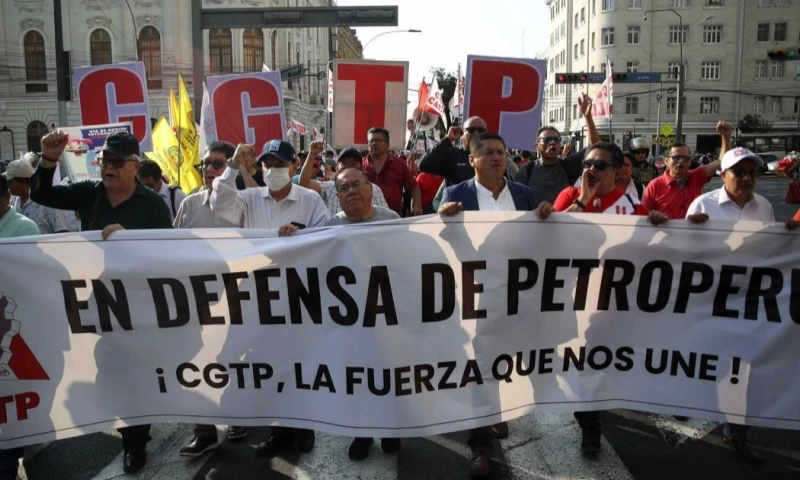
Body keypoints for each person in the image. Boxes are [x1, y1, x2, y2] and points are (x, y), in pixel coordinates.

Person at [29, 130, 171, 474]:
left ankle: (136, 439)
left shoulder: (153, 206)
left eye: (117, 162)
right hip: (98, 304)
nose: (108, 167)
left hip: (139, 307)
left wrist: (129, 243)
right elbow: (40, 194)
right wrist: (48, 159)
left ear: (135, 167)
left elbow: (168, 256)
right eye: (104, 160)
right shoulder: (89, 195)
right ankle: (131, 433)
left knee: (136, 374)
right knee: (110, 372)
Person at [538, 142, 668, 457]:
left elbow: (647, 248)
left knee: (604, 364)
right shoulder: (571, 196)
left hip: (613, 302)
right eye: (588, 164)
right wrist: (583, 199)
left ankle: (596, 410)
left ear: (616, 171)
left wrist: (669, 228)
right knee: (579, 365)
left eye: (600, 166)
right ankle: (590, 426)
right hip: (573, 300)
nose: (591, 170)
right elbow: (551, 231)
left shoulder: (630, 205)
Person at [436, 132, 535, 477]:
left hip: (516, 294)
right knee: (479, 367)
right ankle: (479, 446)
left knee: (508, 360)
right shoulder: (455, 195)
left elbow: (538, 240)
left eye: (502, 152)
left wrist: (551, 217)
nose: (497, 158)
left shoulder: (524, 195)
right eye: (489, 153)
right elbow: (441, 242)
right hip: (475, 295)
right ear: (473, 159)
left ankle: (499, 411)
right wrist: (443, 219)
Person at [210, 140, 328, 232]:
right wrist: (234, 165)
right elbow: (220, 204)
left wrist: (300, 236)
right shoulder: (249, 198)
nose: (272, 170)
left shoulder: (311, 201)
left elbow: (324, 238)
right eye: (268, 165)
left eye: (279, 165)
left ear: (294, 166)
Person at [515, 93, 599, 205]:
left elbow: (595, 148)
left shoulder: (568, 166)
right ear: (537, 146)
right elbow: (518, 202)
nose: (552, 142)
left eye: (556, 139)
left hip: (563, 221)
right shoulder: (526, 171)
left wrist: (588, 116)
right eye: (547, 140)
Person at [642, 121, 730, 220]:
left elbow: (722, 161)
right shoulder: (654, 185)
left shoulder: (696, 177)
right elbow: (643, 216)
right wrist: (654, 217)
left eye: (685, 158)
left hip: (692, 234)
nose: (680, 161)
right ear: (666, 161)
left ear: (689, 162)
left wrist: (725, 137)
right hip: (664, 235)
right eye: (676, 158)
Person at [296, 141, 389, 215]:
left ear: (361, 167)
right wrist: (312, 154)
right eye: (344, 163)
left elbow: (385, 219)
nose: (349, 166)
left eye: (354, 163)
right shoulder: (328, 187)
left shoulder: (374, 189)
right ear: (337, 168)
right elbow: (304, 183)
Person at [362, 127, 422, 216]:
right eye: (371, 141)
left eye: (378, 140)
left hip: (393, 219)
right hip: (366, 219)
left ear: (387, 144)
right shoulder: (360, 165)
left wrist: (417, 205)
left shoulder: (399, 165)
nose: (374, 144)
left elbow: (414, 187)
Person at [419, 116, 488, 187]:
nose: (476, 133)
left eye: (480, 130)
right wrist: (447, 139)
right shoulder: (452, 154)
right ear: (462, 133)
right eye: (471, 129)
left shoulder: (490, 156)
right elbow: (424, 165)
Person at [5, 158, 69, 234]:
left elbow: (62, 232)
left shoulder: (47, 201)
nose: (8, 186)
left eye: (10, 182)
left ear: (23, 181)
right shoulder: (13, 199)